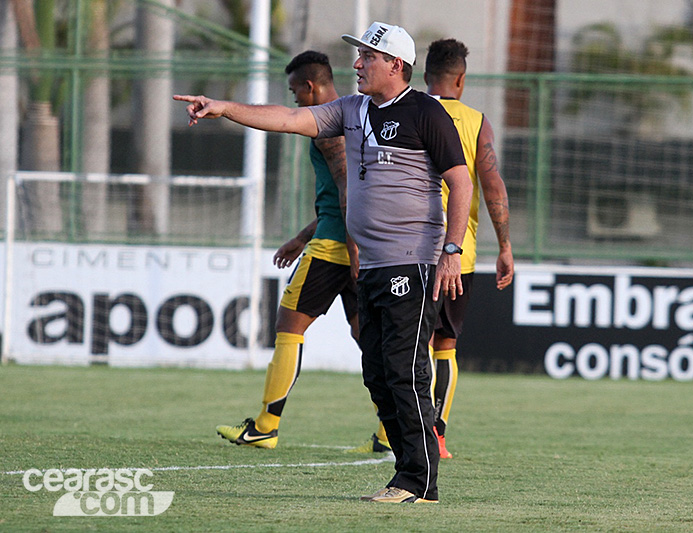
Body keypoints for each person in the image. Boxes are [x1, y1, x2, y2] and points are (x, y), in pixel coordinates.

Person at [174, 21, 472, 504]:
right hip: (372, 267)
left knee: (404, 372)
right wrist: (225, 108)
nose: (356, 64)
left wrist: (452, 253)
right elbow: (289, 119)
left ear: (396, 64)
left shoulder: (426, 113)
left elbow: (462, 183)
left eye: (367, 57)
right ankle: (409, 474)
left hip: (412, 266)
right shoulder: (351, 110)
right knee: (377, 374)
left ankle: (418, 482)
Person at [355, 38, 515, 460]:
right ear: (461, 79)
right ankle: (434, 431)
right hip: (456, 252)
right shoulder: (475, 121)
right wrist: (505, 245)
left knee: (404, 348)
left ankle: (397, 434)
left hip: (403, 250)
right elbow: (492, 185)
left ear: (423, 76)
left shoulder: (411, 110)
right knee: (443, 346)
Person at [213, 50, 358, 450]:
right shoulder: (353, 114)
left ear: (310, 86)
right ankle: (387, 433)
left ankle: (265, 425)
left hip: (335, 246)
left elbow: (348, 190)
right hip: (351, 240)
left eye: (295, 90)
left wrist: (350, 248)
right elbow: (342, 195)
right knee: (370, 338)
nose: (294, 98)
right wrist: (302, 236)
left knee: (289, 326)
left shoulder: (328, 124)